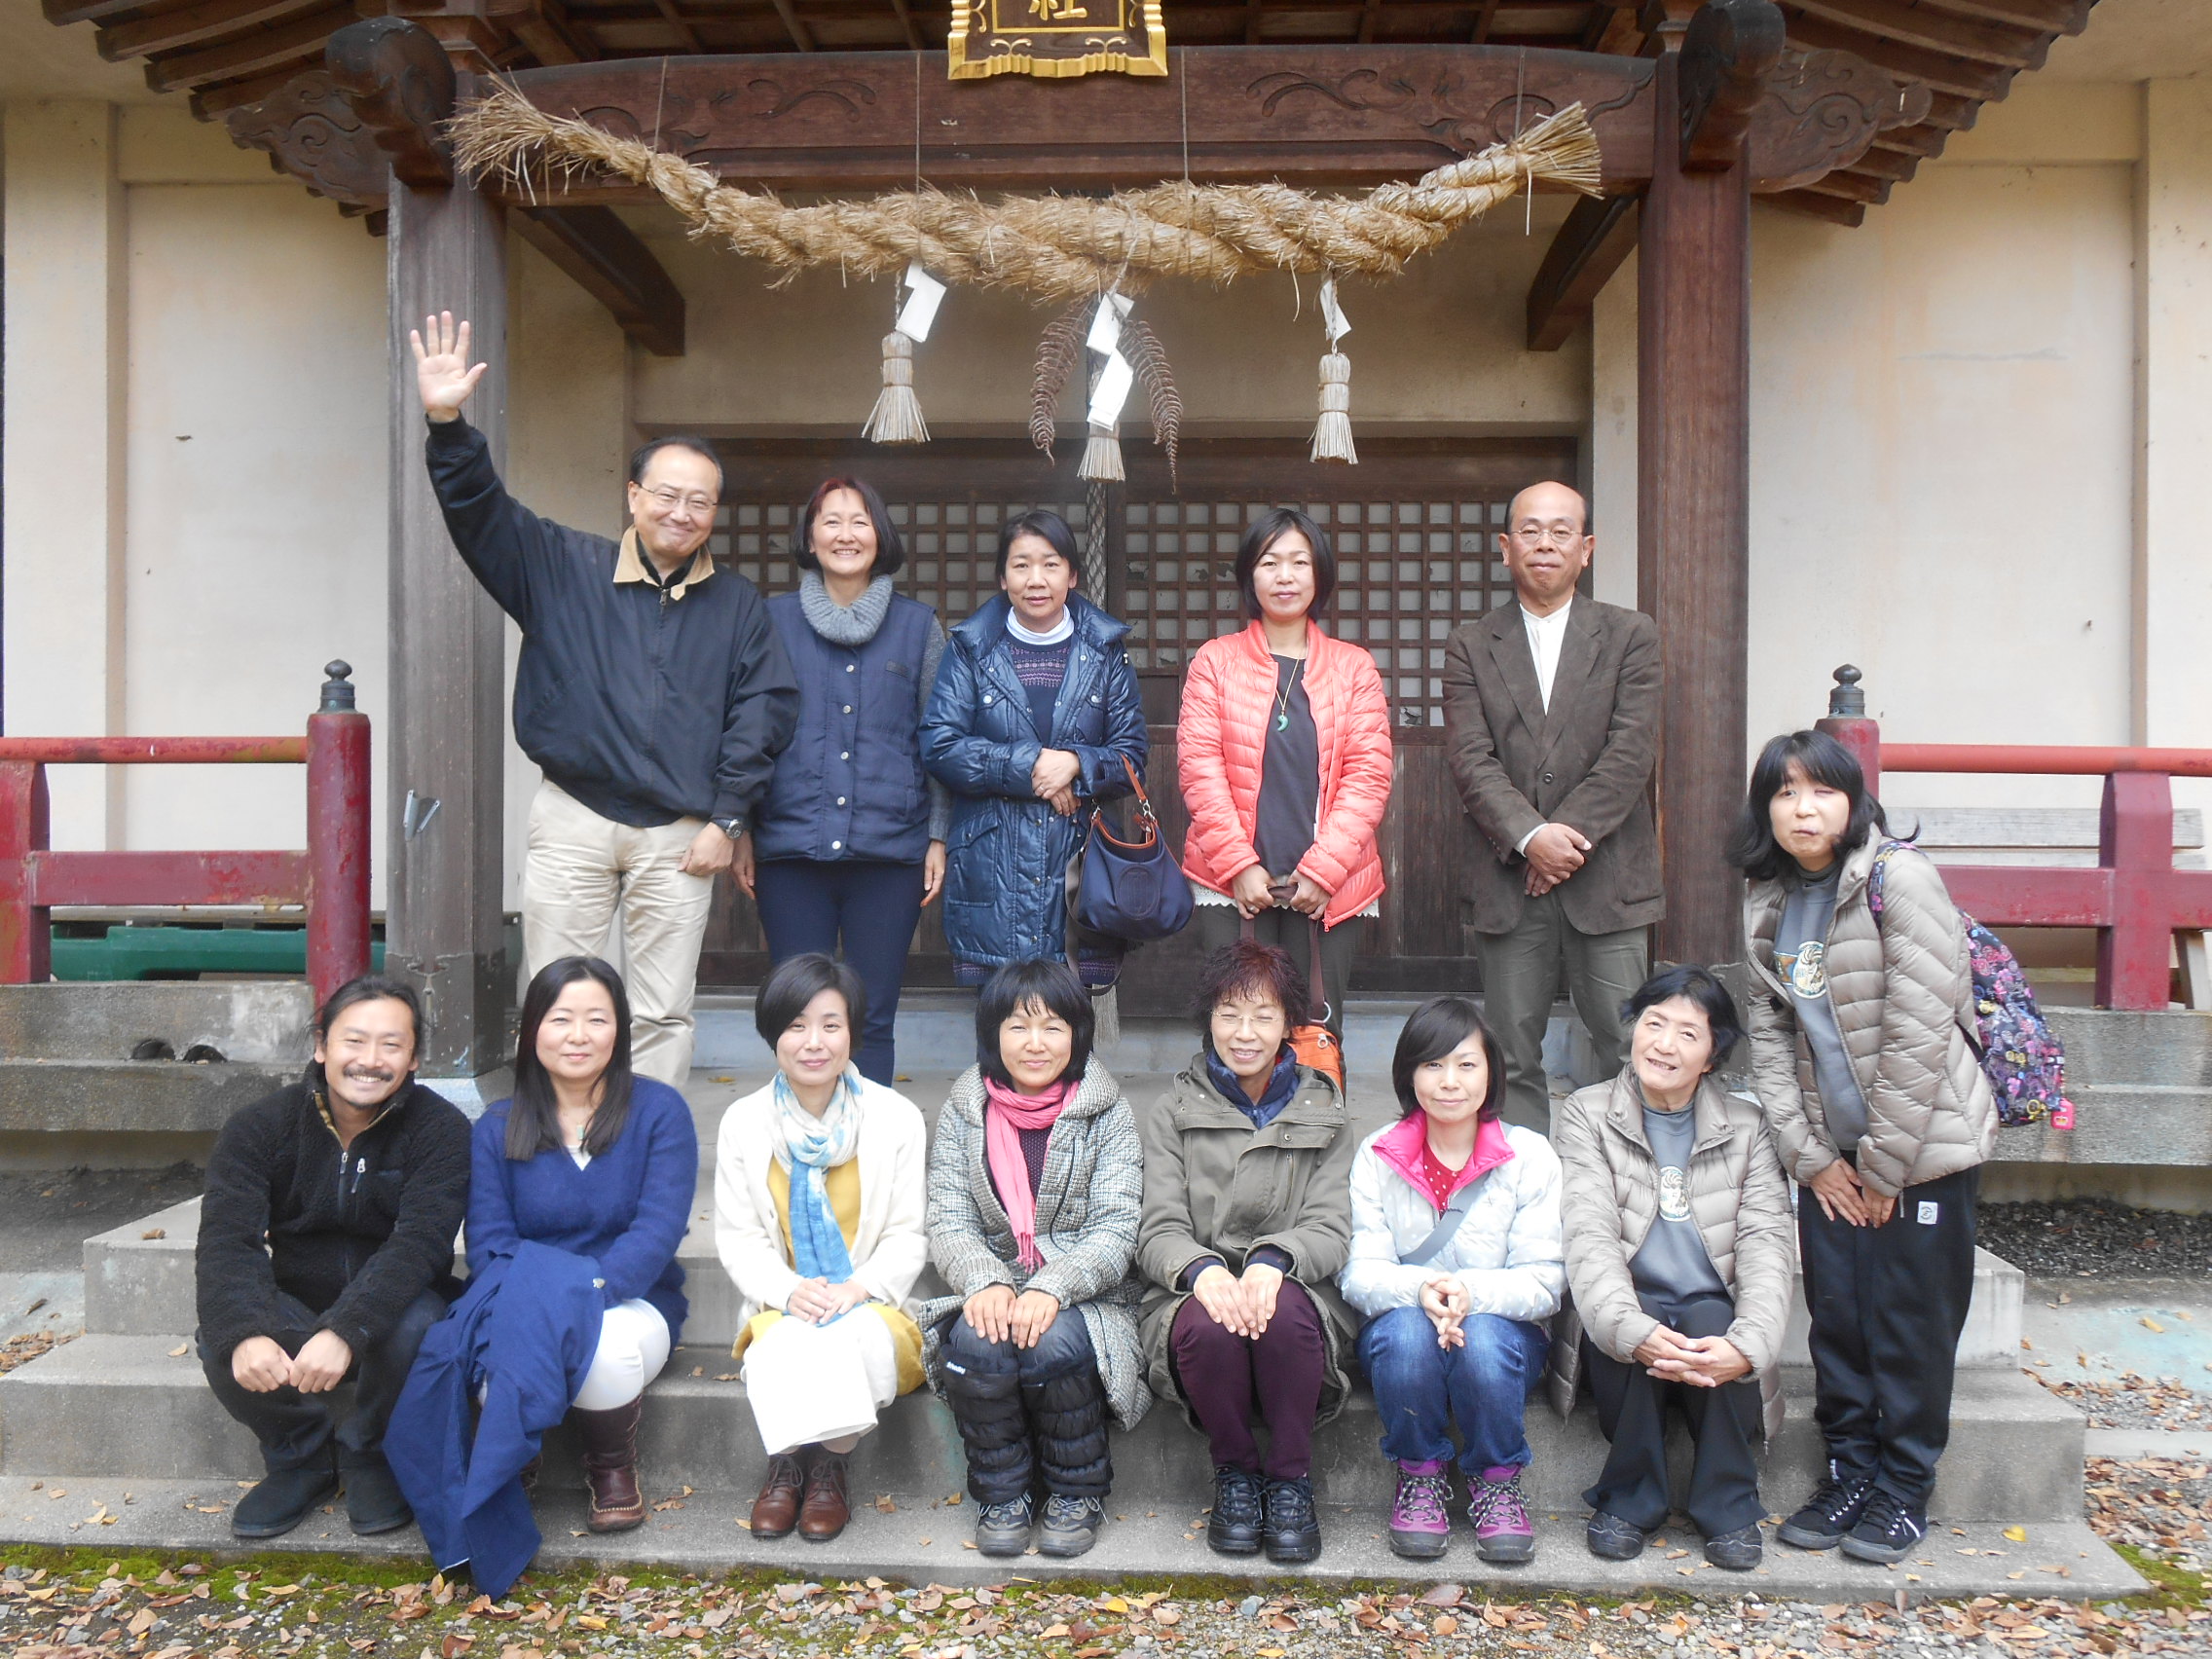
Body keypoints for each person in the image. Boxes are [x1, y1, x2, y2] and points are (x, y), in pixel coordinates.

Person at [412, 311, 799, 1085]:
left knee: (662, 1011)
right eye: (667, 495)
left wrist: (728, 819)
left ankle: (648, 1142)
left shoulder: (737, 607)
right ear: (633, 495)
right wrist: (448, 426)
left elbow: (762, 714)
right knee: (559, 1000)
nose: (682, 513)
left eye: (700, 502)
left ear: (714, 513)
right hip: (574, 817)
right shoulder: (561, 565)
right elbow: (480, 511)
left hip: (680, 834)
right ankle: (556, 1135)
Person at [1731, 730, 1996, 1565]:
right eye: (1783, 792)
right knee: (1840, 1321)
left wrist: (1883, 1168)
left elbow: (1920, 1031)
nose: (1801, 809)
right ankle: (1849, 1473)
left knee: (1910, 1326)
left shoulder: (1899, 878)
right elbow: (1770, 1040)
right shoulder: (1767, 898)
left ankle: (1904, 1487)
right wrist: (1810, 1159)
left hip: (1923, 1152)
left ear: (1854, 802)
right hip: (1833, 1163)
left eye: (1820, 790)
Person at [387, 955, 699, 1595]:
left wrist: (581, 1292)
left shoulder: (659, 1112)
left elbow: (656, 1231)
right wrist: (547, 1301)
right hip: (523, 1297)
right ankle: (511, 1456)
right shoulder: (498, 1126)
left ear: (620, 1030)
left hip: (630, 1298)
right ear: (531, 1029)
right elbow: (490, 1244)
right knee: (487, 1351)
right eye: (561, 1019)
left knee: (605, 1351)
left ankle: (610, 1464)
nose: (578, 1035)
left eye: (596, 1019)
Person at [194, 976, 470, 1541]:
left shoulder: (441, 1129)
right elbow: (227, 1241)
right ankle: (301, 1458)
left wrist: (346, 1329)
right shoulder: (260, 1126)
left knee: (422, 1322)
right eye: (354, 1041)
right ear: (322, 1046)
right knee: (223, 1330)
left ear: (414, 1057)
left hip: (392, 1319)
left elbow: (420, 1243)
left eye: (391, 1045)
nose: (370, 1060)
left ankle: (372, 1453)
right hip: (297, 1309)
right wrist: (245, 1331)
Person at [1551, 966, 1793, 1571]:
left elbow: (1767, 1243)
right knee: (1642, 1315)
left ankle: (1729, 1505)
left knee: (1713, 1319)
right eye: (1653, 1023)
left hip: (1713, 1310)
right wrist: (1630, 1330)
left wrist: (1748, 1345)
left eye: (1688, 1033)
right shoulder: (1587, 1112)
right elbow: (1589, 1234)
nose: (1663, 1044)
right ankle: (1629, 1499)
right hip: (1626, 1312)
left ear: (1712, 1055)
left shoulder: (1749, 1127)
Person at [1440, 481, 1662, 1130]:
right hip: (1509, 879)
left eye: (1561, 531)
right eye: (1530, 530)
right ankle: (1528, 1181)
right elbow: (1470, 758)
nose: (1545, 543)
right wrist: (1530, 838)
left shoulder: (1630, 635)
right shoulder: (1471, 644)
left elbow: (1631, 754)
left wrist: (1560, 838)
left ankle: (1631, 1176)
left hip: (1609, 876)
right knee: (1509, 1055)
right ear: (1505, 547)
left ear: (1586, 549)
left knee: (1632, 1046)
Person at [1137, 939, 1359, 1565]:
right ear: (1208, 1019)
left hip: (1296, 1289)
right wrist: (1201, 1269)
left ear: (1288, 1024)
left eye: (1263, 1016)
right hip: (1193, 1291)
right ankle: (1235, 1473)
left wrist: (1273, 1260)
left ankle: (1289, 1480)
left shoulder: (1326, 1109)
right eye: (1228, 1014)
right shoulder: (1173, 1110)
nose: (1244, 1033)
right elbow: (1157, 1227)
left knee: (1282, 1313)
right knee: (1209, 1324)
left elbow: (1331, 1226)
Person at [918, 959, 1148, 1560]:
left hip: (1086, 1292)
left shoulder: (1107, 1111)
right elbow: (949, 1217)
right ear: (993, 1033)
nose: (1035, 1043)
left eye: (1052, 1027)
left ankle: (1076, 1493)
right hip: (993, 1279)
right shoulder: (965, 1109)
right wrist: (985, 1280)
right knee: (977, 1343)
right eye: (1018, 1027)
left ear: (1077, 1033)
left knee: (1052, 1342)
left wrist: (1052, 1286)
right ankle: (1004, 1496)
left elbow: (1117, 1226)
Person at [737, 478, 950, 1085]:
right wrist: (740, 827)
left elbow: (938, 738)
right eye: (831, 521)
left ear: (880, 536)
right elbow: (746, 729)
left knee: (871, 1017)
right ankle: (802, 1133)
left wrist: (938, 834)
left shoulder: (918, 626)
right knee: (799, 1013)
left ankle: (868, 1139)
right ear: (810, 538)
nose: (846, 534)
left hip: (890, 853)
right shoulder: (770, 620)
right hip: (788, 849)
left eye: (860, 521)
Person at [1341, 995, 1564, 1564]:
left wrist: (1471, 1294)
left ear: (1491, 1073)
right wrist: (1421, 1291)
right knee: (1407, 1335)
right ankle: (1419, 1475)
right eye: (1433, 1064)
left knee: (1481, 1341)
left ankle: (1497, 1480)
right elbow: (1360, 1272)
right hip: (1404, 1324)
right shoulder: (1377, 1154)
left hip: (1504, 1332)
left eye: (1467, 1064)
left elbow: (1544, 1282)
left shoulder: (1529, 1155)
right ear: (1409, 1074)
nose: (1449, 1082)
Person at [715, 953, 929, 1542]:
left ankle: (827, 1465)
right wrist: (789, 1290)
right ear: (773, 1034)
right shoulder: (743, 1122)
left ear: (852, 1032)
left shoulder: (896, 1118)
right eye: (796, 1026)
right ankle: (788, 1464)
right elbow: (739, 1238)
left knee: (848, 1335)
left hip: (872, 1303)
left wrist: (857, 1288)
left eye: (831, 1025)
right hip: (784, 1301)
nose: (814, 1042)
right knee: (785, 1339)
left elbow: (907, 1233)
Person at [1178, 507, 1393, 1035]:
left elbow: (1368, 776)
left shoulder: (1353, 667)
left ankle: (1315, 1098)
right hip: (1230, 881)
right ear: (1250, 575)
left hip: (1328, 885)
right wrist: (1238, 867)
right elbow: (1200, 770)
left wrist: (1323, 872)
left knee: (1313, 1030)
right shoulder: (1215, 661)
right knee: (1237, 1028)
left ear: (1319, 574)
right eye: (1269, 562)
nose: (1285, 576)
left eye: (1299, 562)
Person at [921, 510, 1146, 987]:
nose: (1036, 579)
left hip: (1079, 866)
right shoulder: (970, 648)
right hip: (992, 868)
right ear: (1003, 578)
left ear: (1072, 575)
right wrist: (1035, 767)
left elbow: (1132, 757)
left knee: (1070, 1017)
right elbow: (940, 745)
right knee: (998, 1018)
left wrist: (1076, 764)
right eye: (1021, 565)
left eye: (1050, 564)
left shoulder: (1105, 650)